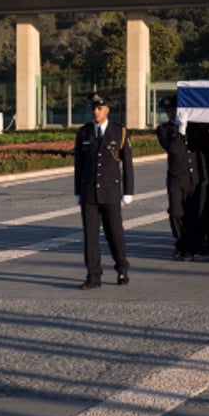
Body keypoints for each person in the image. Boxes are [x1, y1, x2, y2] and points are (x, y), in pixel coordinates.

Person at [73, 92, 134, 288]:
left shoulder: (120, 132)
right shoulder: (84, 133)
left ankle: (122, 269)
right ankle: (93, 275)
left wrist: (128, 191)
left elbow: (128, 165)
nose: (96, 112)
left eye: (99, 108)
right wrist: (78, 191)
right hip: (89, 192)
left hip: (110, 192)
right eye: (93, 108)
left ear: (107, 109)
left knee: (114, 233)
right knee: (90, 236)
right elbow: (79, 165)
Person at [154, 96, 202, 260]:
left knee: (192, 214)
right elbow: (173, 149)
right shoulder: (164, 129)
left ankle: (190, 247)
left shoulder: (193, 128)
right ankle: (181, 242)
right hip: (176, 177)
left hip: (193, 177)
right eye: (168, 111)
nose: (171, 114)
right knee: (175, 212)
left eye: (174, 110)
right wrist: (181, 131)